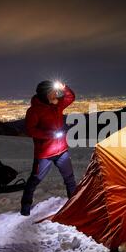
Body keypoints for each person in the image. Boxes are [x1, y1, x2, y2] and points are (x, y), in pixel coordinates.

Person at [20, 80, 77, 216]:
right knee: (34, 180)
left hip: (62, 150)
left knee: (70, 179)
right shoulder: (34, 111)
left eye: (55, 92)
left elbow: (70, 97)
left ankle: (75, 205)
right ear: (44, 95)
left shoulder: (57, 105)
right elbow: (30, 130)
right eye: (52, 92)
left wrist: (64, 87)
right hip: (44, 154)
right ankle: (25, 208)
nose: (55, 94)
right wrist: (49, 135)